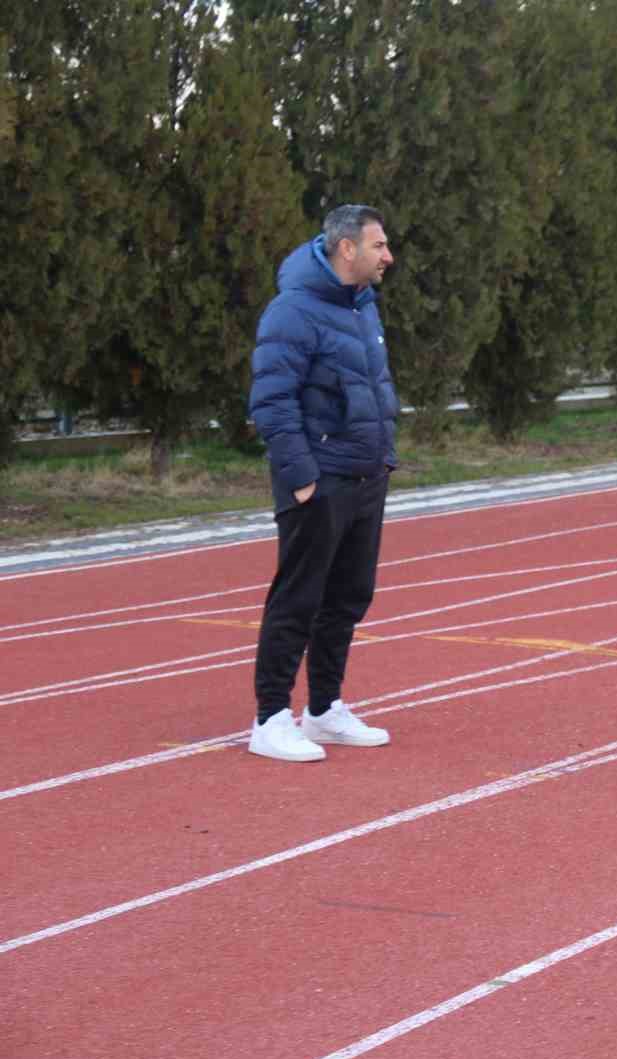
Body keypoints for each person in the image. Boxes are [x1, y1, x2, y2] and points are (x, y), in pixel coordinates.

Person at [246, 204, 399, 762]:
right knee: (299, 598)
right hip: (320, 479)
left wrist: (382, 458)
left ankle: (324, 711)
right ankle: (269, 719)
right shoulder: (293, 311)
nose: (389, 256)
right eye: (379, 245)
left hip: (366, 474)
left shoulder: (361, 306)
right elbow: (271, 401)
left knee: (348, 597)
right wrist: (303, 478)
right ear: (346, 249)